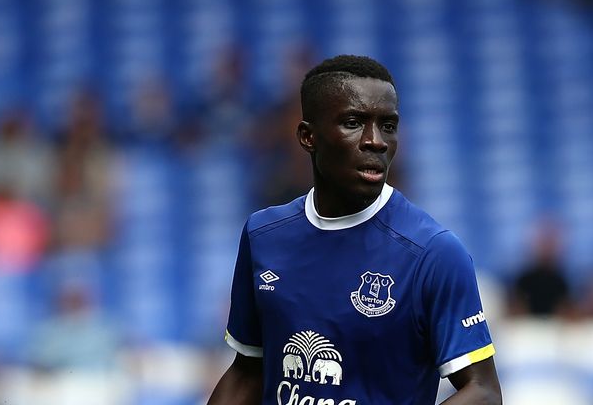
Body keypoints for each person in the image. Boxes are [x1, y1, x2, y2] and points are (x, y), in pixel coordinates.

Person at [208, 55, 502, 405]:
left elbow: (483, 392)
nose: (375, 141)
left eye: (388, 126)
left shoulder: (434, 253)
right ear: (308, 137)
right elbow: (247, 371)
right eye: (353, 122)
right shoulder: (263, 235)